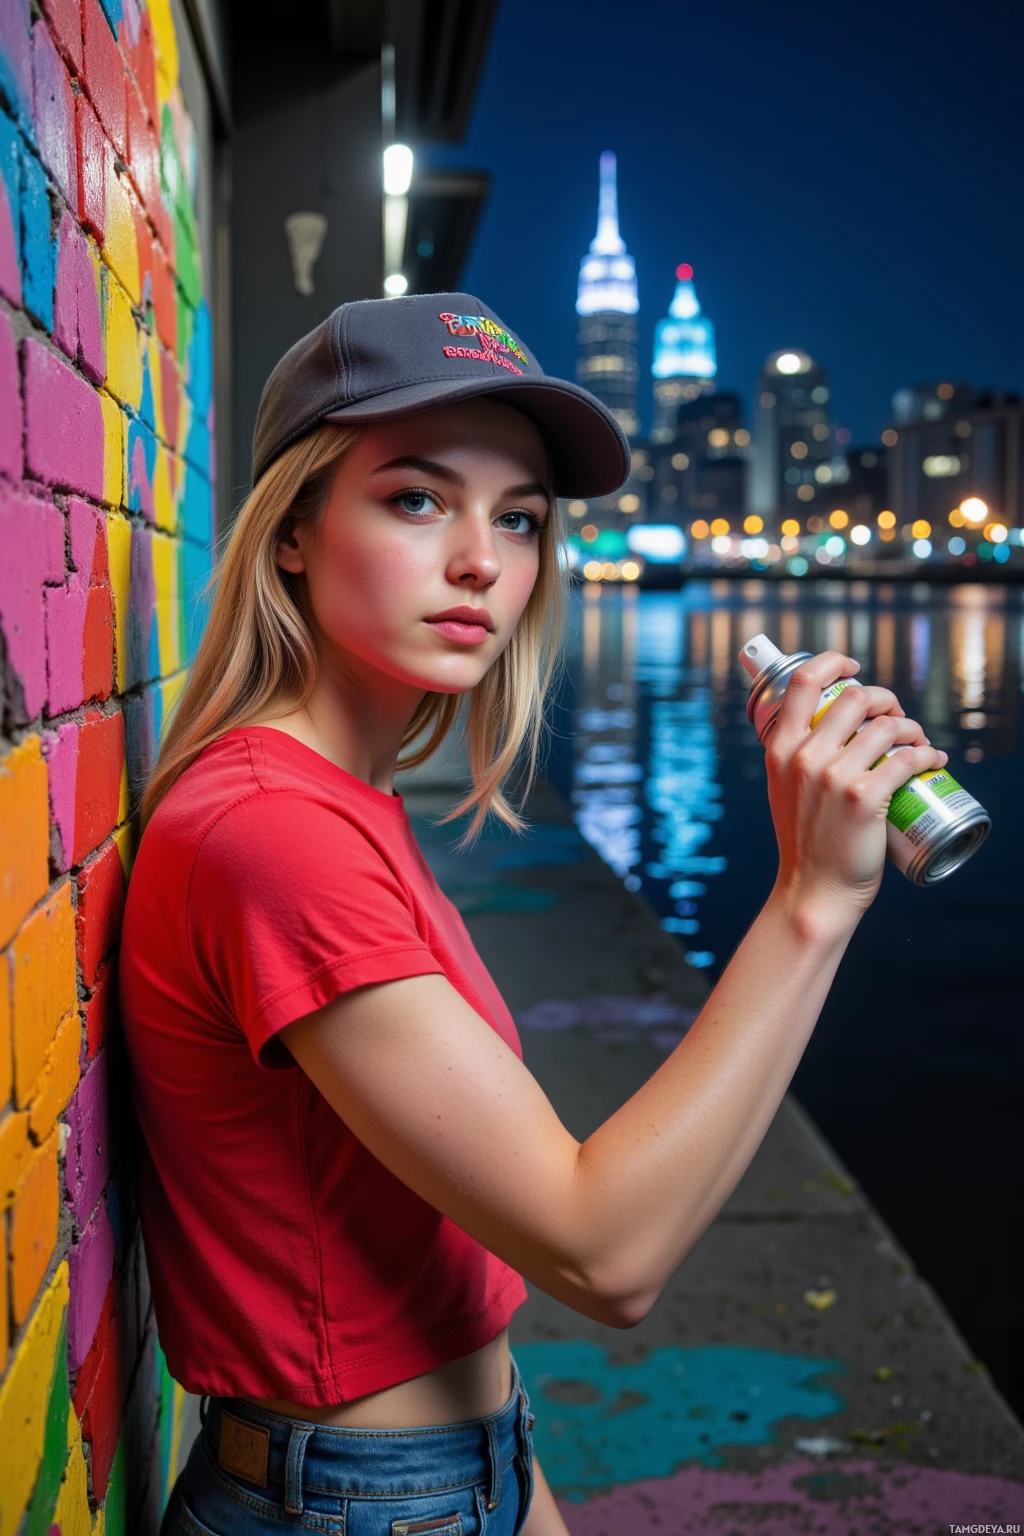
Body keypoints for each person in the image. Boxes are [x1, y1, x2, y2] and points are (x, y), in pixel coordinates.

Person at [119, 292, 947, 1536]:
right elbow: (603, 1250)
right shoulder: (272, 832)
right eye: (416, 498)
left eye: (517, 519)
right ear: (292, 529)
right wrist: (811, 899)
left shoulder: (332, 799)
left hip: (450, 1472)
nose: (482, 562)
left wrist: (516, 1490)